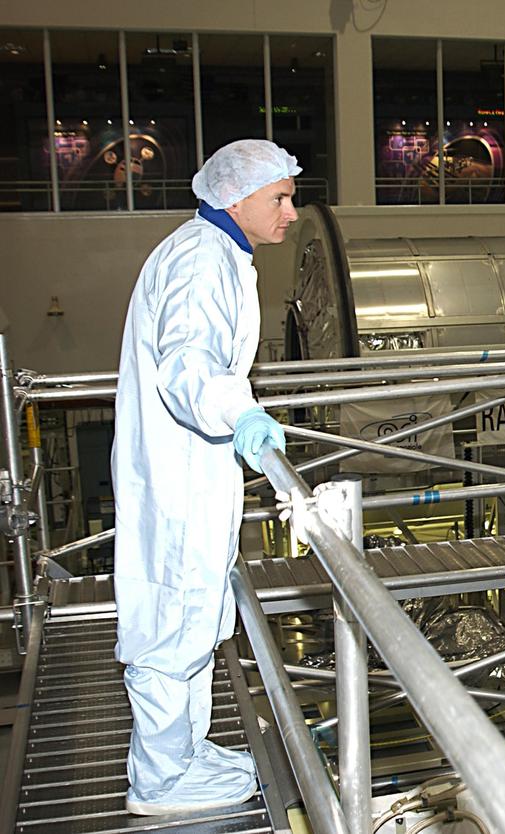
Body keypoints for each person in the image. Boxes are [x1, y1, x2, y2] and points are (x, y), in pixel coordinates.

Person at [112, 139, 296, 815]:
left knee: (192, 616)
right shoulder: (201, 259)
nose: (292, 213)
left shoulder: (218, 252)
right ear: (236, 197)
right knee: (172, 620)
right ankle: (158, 780)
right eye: (280, 198)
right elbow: (188, 366)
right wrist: (240, 413)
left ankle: (183, 752)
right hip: (176, 475)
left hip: (189, 469)